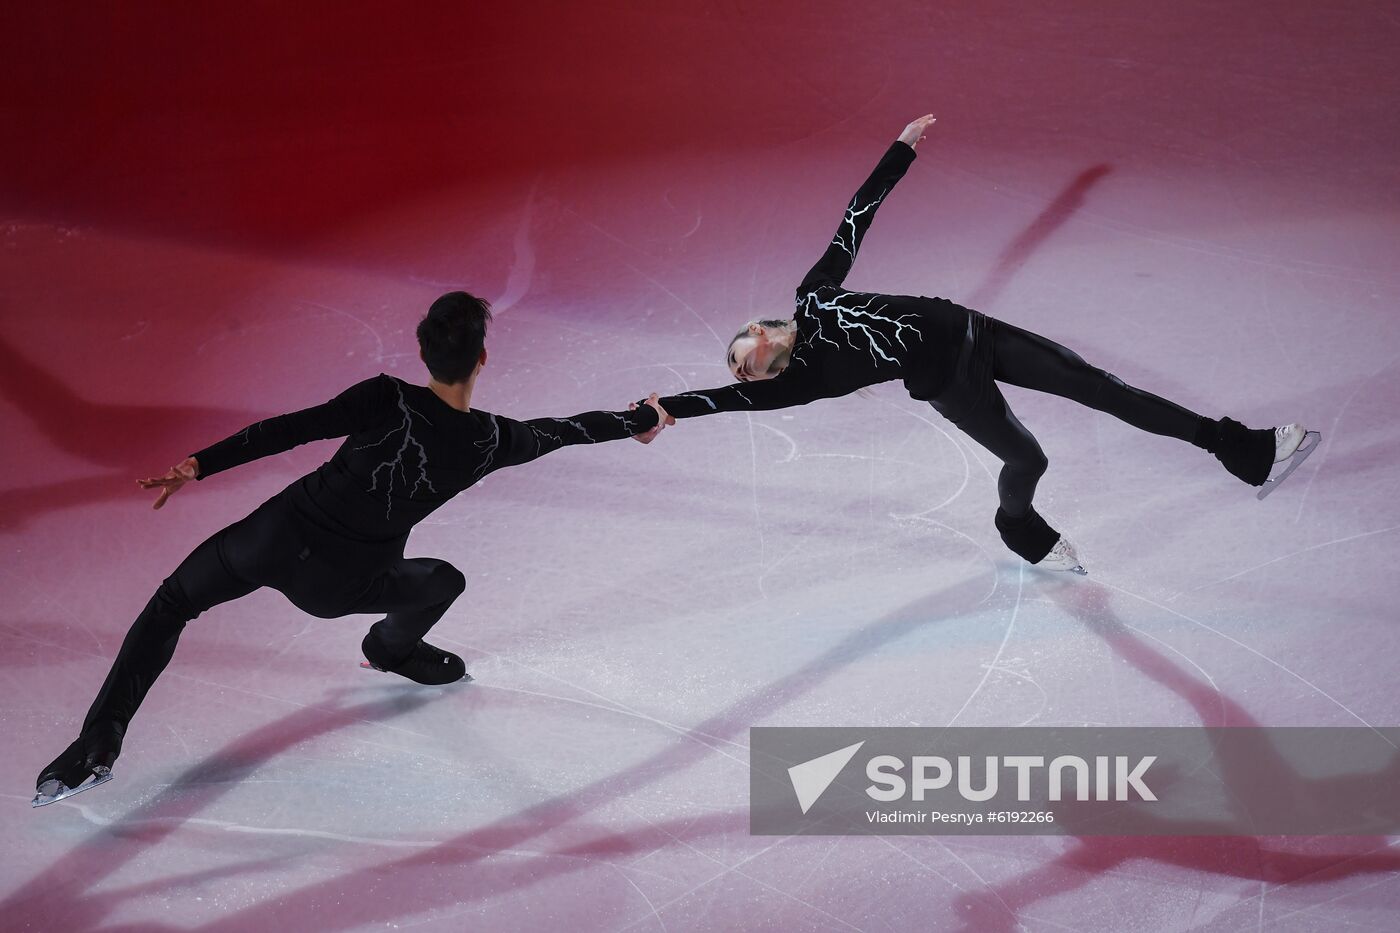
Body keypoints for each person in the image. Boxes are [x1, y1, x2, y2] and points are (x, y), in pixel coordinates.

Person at [34, 291, 671, 807]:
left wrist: (199, 464)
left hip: (268, 537)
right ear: (482, 361)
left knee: (172, 605)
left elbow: (290, 430)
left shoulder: (383, 396)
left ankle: (98, 741)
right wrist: (637, 419)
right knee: (443, 580)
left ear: (423, 354)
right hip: (340, 586)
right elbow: (565, 432)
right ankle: (389, 649)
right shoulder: (487, 440)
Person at [643, 114, 1319, 573]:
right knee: (1030, 459)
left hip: (975, 330)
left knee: (1100, 387)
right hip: (952, 386)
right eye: (739, 363)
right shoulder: (799, 380)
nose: (742, 348)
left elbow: (857, 215)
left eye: (738, 343)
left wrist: (901, 148)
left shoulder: (813, 293)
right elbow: (723, 403)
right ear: (761, 372)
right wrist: (668, 407)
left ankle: (1242, 448)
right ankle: (1018, 526)